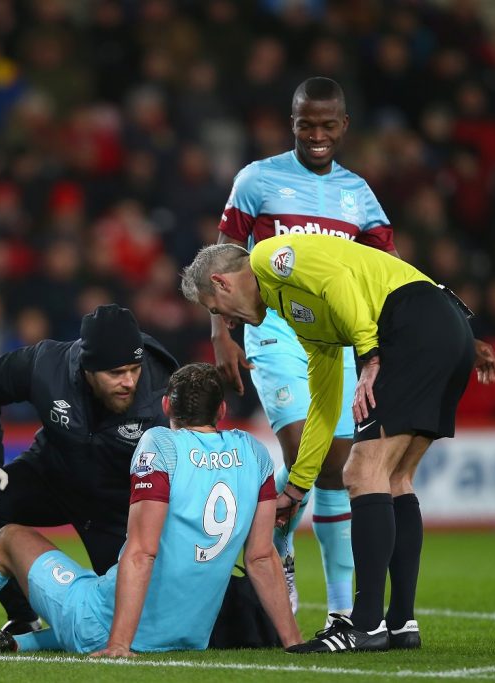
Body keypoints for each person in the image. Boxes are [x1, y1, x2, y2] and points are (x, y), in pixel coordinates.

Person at [181, 236, 495, 652]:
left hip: (412, 325)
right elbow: (324, 405)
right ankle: (401, 622)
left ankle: (365, 625)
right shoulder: (302, 316)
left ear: (222, 283)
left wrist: (369, 357)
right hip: (442, 325)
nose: (225, 321)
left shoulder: (266, 258)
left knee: (361, 471)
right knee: (395, 477)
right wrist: (296, 487)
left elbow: (336, 279)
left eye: (214, 309)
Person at [0, 363, 302, 655]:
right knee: (86, 602)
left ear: (168, 408)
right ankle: (9, 643)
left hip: (110, 624)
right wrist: (294, 643)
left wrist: (118, 645)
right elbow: (262, 556)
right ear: (222, 411)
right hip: (188, 634)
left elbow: (142, 551)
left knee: (10, 540)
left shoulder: (161, 445)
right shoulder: (252, 452)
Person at [211, 76, 398, 621]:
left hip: (335, 342)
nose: (316, 134)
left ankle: (341, 612)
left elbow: (382, 275)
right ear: (291, 122)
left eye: (326, 124)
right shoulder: (257, 179)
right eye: (304, 124)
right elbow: (223, 263)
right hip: (273, 333)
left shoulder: (360, 195)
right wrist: (221, 331)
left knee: (338, 473)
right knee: (305, 456)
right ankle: (282, 555)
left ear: (344, 125)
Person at [0, 303, 178, 638]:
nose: (129, 381)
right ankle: (22, 616)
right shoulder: (47, 365)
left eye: (134, 368)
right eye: (116, 373)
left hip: (117, 506)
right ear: (87, 368)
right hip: (52, 478)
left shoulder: (165, 388)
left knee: (126, 619)